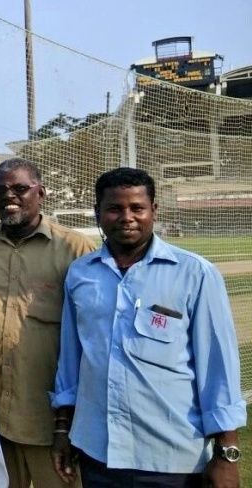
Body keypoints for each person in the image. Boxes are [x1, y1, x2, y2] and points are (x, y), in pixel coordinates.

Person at [51, 167, 247, 488]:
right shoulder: (80, 275)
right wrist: (63, 430)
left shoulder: (195, 274)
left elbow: (218, 369)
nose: (126, 217)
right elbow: (71, 363)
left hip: (171, 455)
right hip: (98, 451)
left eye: (137, 208)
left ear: (154, 211)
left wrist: (227, 453)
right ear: (98, 213)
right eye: (114, 208)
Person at [0, 157, 95, 488]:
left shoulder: (75, 248)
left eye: (20, 188)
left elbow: (94, 336)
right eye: (0, 190)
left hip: (50, 418)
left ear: (41, 193)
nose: (9, 196)